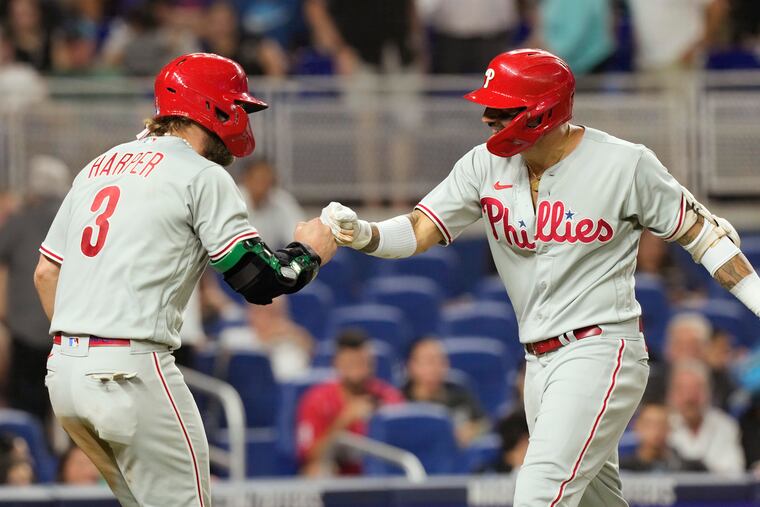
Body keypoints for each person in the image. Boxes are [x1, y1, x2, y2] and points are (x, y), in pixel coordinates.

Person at [321, 48, 760, 505]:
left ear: (542, 112)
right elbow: (418, 230)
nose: (488, 116)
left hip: (600, 347)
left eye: (502, 107)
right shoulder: (482, 166)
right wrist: (365, 234)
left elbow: (705, 236)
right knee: (594, 499)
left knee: (539, 491)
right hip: (537, 363)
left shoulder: (624, 164)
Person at [34, 52, 336, 506]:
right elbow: (258, 281)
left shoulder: (99, 165)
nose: (243, 116)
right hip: (130, 370)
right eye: (239, 106)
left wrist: (83, 347)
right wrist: (311, 252)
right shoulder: (200, 174)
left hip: (65, 374)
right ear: (212, 106)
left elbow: (46, 273)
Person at [0, 155, 70, 423]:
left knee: (25, 408)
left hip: (24, 332)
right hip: (66, 330)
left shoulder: (21, 220)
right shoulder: (73, 219)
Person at [296, 329, 403, 476]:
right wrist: (343, 420)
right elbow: (310, 456)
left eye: (362, 363)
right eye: (351, 363)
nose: (357, 370)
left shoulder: (388, 396)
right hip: (339, 475)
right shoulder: (317, 399)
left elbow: (403, 444)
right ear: (337, 363)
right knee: (316, 471)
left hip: (381, 472)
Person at [403, 337, 488, 447]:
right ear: (411, 366)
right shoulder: (399, 400)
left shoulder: (459, 392)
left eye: (441, 361)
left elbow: (484, 423)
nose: (436, 367)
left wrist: (473, 430)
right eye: (430, 361)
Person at [667, 360, 745, 474]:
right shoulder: (663, 426)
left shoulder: (726, 426)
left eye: (696, 390)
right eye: (683, 390)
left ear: (708, 392)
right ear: (672, 394)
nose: (689, 397)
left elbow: (734, 472)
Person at [238, 158, 305, 250]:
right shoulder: (232, 200)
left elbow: (299, 237)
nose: (264, 185)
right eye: (259, 179)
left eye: (267, 180)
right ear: (246, 179)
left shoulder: (282, 201)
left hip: (268, 260)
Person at [619, 402, 706, 472]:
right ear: (637, 427)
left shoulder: (689, 468)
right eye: (649, 425)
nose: (656, 430)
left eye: (661, 425)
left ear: (670, 428)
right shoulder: (623, 469)